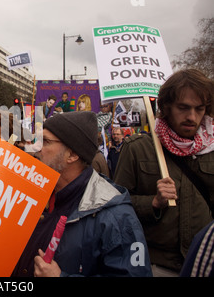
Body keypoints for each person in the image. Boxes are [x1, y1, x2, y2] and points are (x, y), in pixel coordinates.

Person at [12, 111, 152, 277]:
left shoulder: (115, 215)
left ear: (72, 155)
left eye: (46, 141)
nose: (36, 147)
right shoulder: (33, 194)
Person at [113, 69, 214, 276]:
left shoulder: (211, 149)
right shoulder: (137, 148)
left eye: (199, 109)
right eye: (183, 108)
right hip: (154, 264)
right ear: (165, 107)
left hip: (203, 264)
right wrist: (153, 202)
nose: (192, 117)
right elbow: (115, 206)